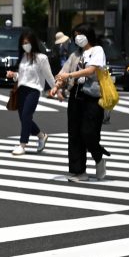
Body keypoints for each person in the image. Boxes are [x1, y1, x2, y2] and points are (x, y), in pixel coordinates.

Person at [50, 24, 110, 182]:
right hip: (76, 97)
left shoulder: (97, 50)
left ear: (88, 34)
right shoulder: (75, 54)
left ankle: (98, 157)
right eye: (75, 35)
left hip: (93, 98)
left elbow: (91, 71)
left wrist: (69, 75)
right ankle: (79, 172)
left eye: (79, 34)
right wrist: (56, 87)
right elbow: (63, 73)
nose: (77, 38)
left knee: (89, 133)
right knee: (74, 134)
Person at [4, 29, 56, 156]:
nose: (25, 45)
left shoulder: (42, 58)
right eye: (22, 43)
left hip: (34, 90)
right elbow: (22, 76)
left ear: (33, 42)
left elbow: (48, 76)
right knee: (24, 118)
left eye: (27, 42)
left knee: (26, 115)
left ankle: (22, 145)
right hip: (21, 89)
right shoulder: (23, 57)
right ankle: (41, 136)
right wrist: (13, 75)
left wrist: (56, 88)